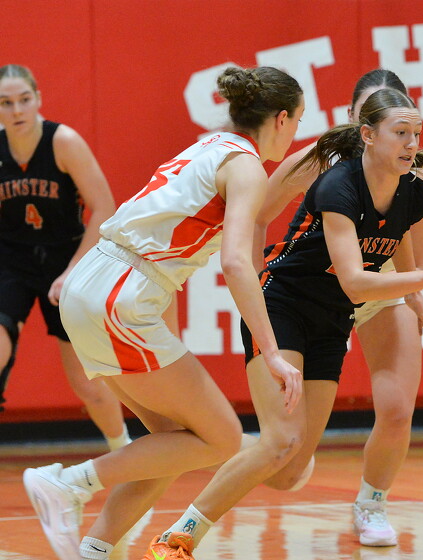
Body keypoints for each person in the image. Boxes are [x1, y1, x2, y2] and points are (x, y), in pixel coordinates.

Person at [141, 87, 423, 560]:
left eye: (416, 134)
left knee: (287, 471)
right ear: (368, 135)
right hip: (284, 305)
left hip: (331, 320)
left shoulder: (414, 190)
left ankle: (248, 442)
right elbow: (355, 282)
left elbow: (395, 233)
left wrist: (415, 295)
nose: (411, 144)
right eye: (401, 133)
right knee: (281, 441)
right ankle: (179, 536)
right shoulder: (337, 185)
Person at [22, 65, 305, 560]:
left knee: (172, 440)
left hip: (96, 280)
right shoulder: (246, 167)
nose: (296, 131)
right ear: (281, 118)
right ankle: (66, 483)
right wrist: (273, 352)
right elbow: (237, 262)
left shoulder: (208, 145)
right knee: (223, 438)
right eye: (298, 120)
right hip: (122, 292)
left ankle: (94, 550)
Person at [261, 69, 423, 546]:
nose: (404, 139)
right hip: (320, 289)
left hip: (383, 284)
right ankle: (269, 448)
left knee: (398, 407)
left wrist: (415, 293)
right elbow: (257, 211)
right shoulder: (322, 162)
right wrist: (248, 275)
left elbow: (415, 251)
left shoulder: (419, 176)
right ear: (359, 123)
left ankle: (372, 503)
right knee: (284, 467)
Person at [0, 64, 133, 449]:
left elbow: (104, 208)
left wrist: (72, 271)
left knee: (84, 382)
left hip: (66, 259)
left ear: (38, 99)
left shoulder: (63, 142)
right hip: (11, 260)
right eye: (6, 103)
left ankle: (122, 449)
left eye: (24, 99)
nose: (17, 110)